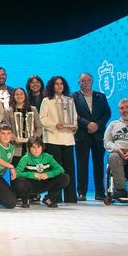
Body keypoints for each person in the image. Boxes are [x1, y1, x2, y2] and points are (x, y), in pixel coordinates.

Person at [72, 73, 111, 201]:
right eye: (83, 81)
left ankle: (100, 192)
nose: (86, 83)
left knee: (99, 164)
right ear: (79, 83)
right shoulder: (73, 97)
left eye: (88, 80)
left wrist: (97, 125)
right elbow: (73, 115)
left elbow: (107, 113)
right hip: (82, 135)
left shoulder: (101, 96)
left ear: (92, 82)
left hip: (98, 135)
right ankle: (81, 192)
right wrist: (87, 124)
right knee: (81, 165)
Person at [39, 75, 78, 203]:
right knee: (55, 170)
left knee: (69, 169)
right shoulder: (47, 100)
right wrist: (55, 125)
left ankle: (71, 197)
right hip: (53, 138)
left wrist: (74, 127)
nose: (59, 86)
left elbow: (74, 117)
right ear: (52, 86)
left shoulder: (70, 100)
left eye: (61, 83)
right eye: (57, 84)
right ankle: (54, 196)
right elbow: (42, 119)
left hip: (68, 138)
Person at [13, 137, 70, 208]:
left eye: (38, 147)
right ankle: (25, 199)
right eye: (33, 147)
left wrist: (48, 174)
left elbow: (60, 169)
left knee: (65, 177)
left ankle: (49, 199)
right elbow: (17, 173)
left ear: (42, 147)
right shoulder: (25, 158)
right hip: (31, 184)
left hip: (45, 183)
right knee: (20, 181)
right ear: (29, 148)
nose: (36, 150)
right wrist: (33, 175)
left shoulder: (48, 157)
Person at [4, 87, 44, 167]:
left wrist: (33, 139)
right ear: (13, 96)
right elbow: (6, 129)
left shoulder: (33, 109)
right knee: (16, 171)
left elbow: (39, 127)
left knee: (31, 171)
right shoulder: (8, 111)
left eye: (21, 94)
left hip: (31, 147)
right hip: (16, 147)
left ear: (25, 95)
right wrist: (14, 138)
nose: (19, 96)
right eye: (17, 94)